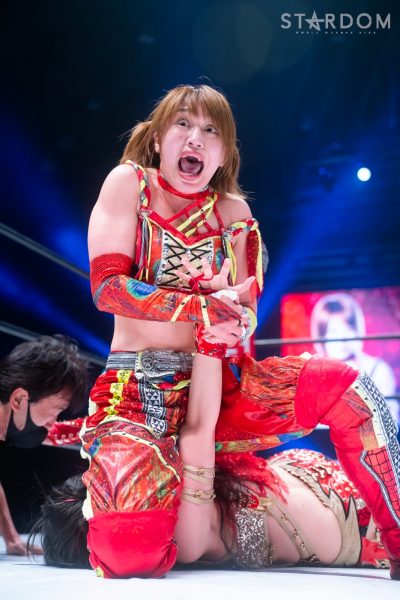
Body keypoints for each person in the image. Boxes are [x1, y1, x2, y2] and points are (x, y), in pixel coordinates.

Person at [35, 83, 399, 579]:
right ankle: (130, 491)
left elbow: (245, 314)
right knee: (127, 551)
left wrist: (231, 315)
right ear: (158, 138)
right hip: (138, 393)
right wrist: (201, 306)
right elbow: (108, 288)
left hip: (220, 386)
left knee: (352, 391)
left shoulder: (235, 215)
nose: (195, 138)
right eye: (183, 124)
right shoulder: (129, 184)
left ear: (224, 153)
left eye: (211, 131)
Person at [0, 334, 88, 555]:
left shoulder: (12, 422)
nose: (53, 421)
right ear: (19, 399)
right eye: (56, 410)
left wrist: (11, 539)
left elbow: (74, 431)